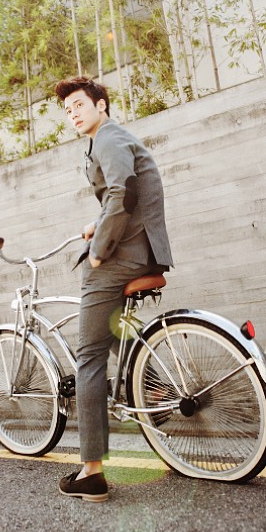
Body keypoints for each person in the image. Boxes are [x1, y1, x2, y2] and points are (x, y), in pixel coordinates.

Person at [55, 76, 173, 502]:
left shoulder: (109, 136)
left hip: (126, 253)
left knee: (87, 358)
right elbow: (120, 194)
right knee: (109, 327)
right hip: (141, 247)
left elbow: (123, 190)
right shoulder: (110, 139)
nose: (73, 113)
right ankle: (154, 387)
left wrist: (99, 250)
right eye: (68, 110)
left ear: (101, 104)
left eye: (79, 104)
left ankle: (91, 473)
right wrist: (96, 224)